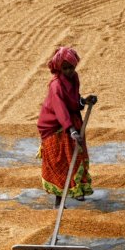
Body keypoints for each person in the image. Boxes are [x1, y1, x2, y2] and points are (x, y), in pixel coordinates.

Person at [37, 46, 97, 207]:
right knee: (60, 162)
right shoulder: (55, 85)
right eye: (65, 69)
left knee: (77, 155)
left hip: (70, 119)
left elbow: (73, 100)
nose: (69, 71)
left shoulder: (75, 77)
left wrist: (84, 101)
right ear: (59, 69)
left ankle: (77, 189)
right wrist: (71, 130)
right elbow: (60, 108)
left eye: (71, 67)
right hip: (54, 126)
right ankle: (59, 200)